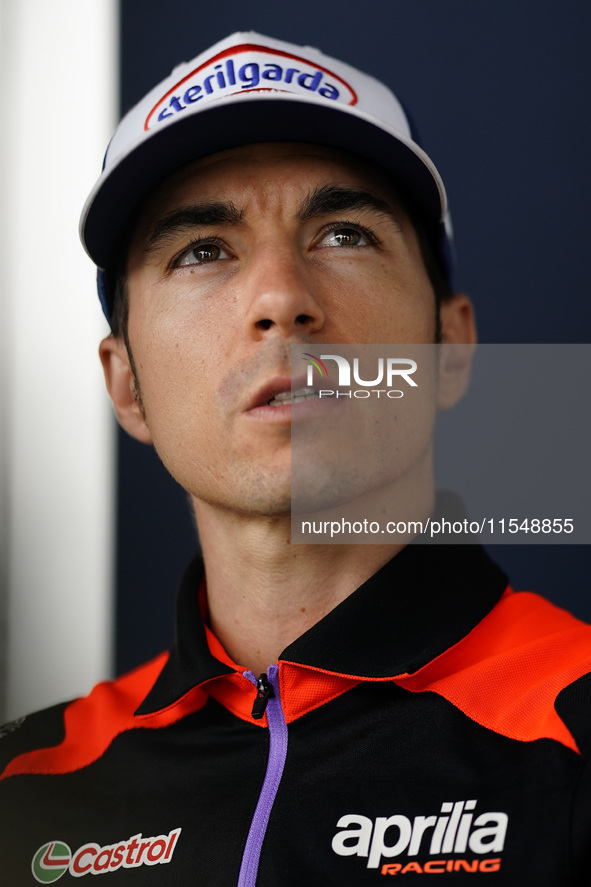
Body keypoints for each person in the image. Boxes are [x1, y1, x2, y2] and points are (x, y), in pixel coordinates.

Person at [1, 32, 590, 885]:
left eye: (344, 234)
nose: (280, 298)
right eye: (202, 250)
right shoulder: (27, 787)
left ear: (451, 349)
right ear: (126, 385)